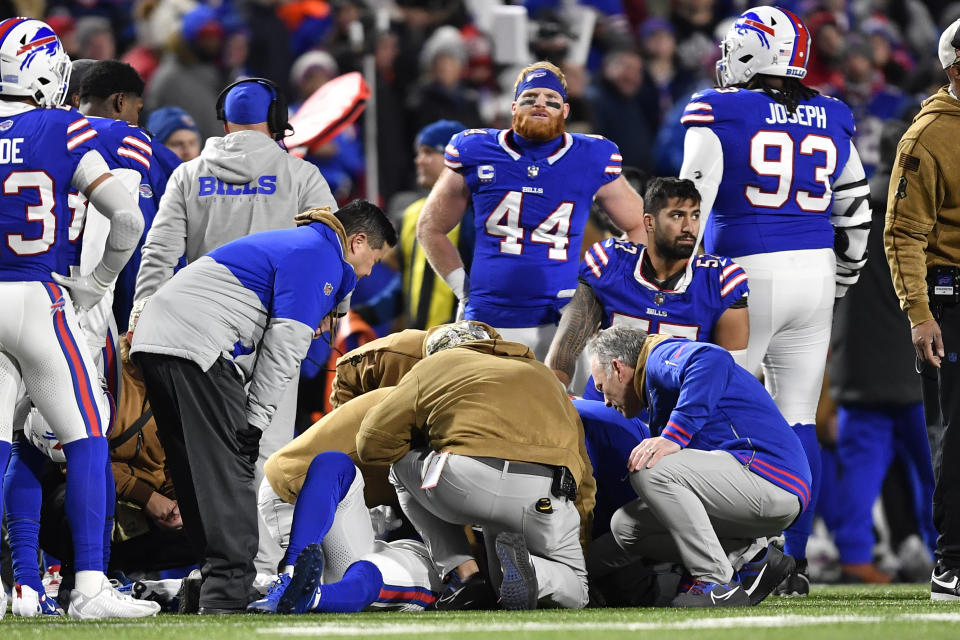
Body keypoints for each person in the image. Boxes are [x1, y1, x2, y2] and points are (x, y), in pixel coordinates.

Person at [678, 6, 872, 594]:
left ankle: (733, 553)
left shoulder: (719, 109)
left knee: (716, 408)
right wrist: (837, 282)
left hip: (743, 271)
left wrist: (681, 284)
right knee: (797, 417)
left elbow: (693, 207)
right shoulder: (833, 114)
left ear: (753, 51)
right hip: (814, 273)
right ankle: (795, 559)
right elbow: (856, 214)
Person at [130, 201, 395, 613]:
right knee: (233, 466)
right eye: (373, 260)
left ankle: (211, 585)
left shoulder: (297, 244)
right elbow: (285, 348)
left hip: (155, 341)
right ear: (357, 242)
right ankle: (229, 591)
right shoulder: (322, 255)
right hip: (198, 344)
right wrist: (255, 421)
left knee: (193, 471)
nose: (368, 273)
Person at [132, 75, 338, 582]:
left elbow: (158, 256)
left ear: (223, 118)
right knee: (266, 451)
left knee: (211, 457)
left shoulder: (188, 174)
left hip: (202, 333)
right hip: (276, 329)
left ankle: (225, 564)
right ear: (276, 120)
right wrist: (330, 315)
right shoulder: (300, 175)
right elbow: (332, 250)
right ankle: (261, 569)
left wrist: (141, 318)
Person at [0, 17, 158, 620]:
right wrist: (96, 285)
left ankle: (18, 584)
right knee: (87, 436)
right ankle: (90, 585)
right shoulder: (66, 129)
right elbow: (127, 218)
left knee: (4, 444)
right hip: (40, 298)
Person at [417, 60, 647, 359]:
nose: (540, 104)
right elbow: (430, 228)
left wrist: (613, 288)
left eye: (551, 100)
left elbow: (641, 225)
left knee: (558, 404)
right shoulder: (477, 149)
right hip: (488, 317)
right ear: (514, 108)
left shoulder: (591, 156)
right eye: (530, 98)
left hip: (561, 322)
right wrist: (463, 290)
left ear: (565, 111)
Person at [356, 327, 597, 610]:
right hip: (543, 494)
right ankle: (536, 570)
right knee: (578, 590)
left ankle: (463, 572)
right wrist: (579, 534)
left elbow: (370, 443)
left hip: (464, 479)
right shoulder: (545, 376)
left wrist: (427, 444)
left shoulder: (436, 364)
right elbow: (584, 476)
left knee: (400, 469)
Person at [587, 326, 809, 607]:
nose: (605, 400)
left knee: (649, 467)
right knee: (626, 526)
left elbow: (711, 358)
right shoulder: (655, 391)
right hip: (755, 487)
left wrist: (673, 437)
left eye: (600, 387)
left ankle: (715, 582)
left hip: (768, 475)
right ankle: (751, 558)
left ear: (618, 369)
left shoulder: (657, 355)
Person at [830, 119, 936, 584]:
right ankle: (946, 553)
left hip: (856, 363)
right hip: (918, 361)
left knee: (858, 469)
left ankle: (854, 556)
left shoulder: (848, 210)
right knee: (939, 463)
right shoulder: (928, 211)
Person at [884, 17, 960, 601]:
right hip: (953, 294)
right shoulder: (929, 135)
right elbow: (902, 232)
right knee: (958, 433)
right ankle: (952, 563)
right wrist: (919, 312)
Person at [545, 177, 749, 393]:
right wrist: (555, 391)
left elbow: (732, 374)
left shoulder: (719, 280)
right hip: (609, 405)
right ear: (649, 222)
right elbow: (568, 342)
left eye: (695, 216)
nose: (689, 227)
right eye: (677, 215)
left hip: (677, 410)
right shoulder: (610, 264)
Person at [76, 59, 182, 337]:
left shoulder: (49, 134)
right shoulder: (126, 139)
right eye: (138, 108)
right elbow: (111, 231)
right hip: (106, 288)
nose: (138, 117)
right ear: (121, 101)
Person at [397, 120, 474, 329]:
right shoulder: (412, 214)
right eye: (418, 153)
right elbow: (406, 285)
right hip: (420, 341)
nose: (419, 160)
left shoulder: (476, 215)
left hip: (459, 340)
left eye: (429, 152)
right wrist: (368, 312)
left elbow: (482, 288)